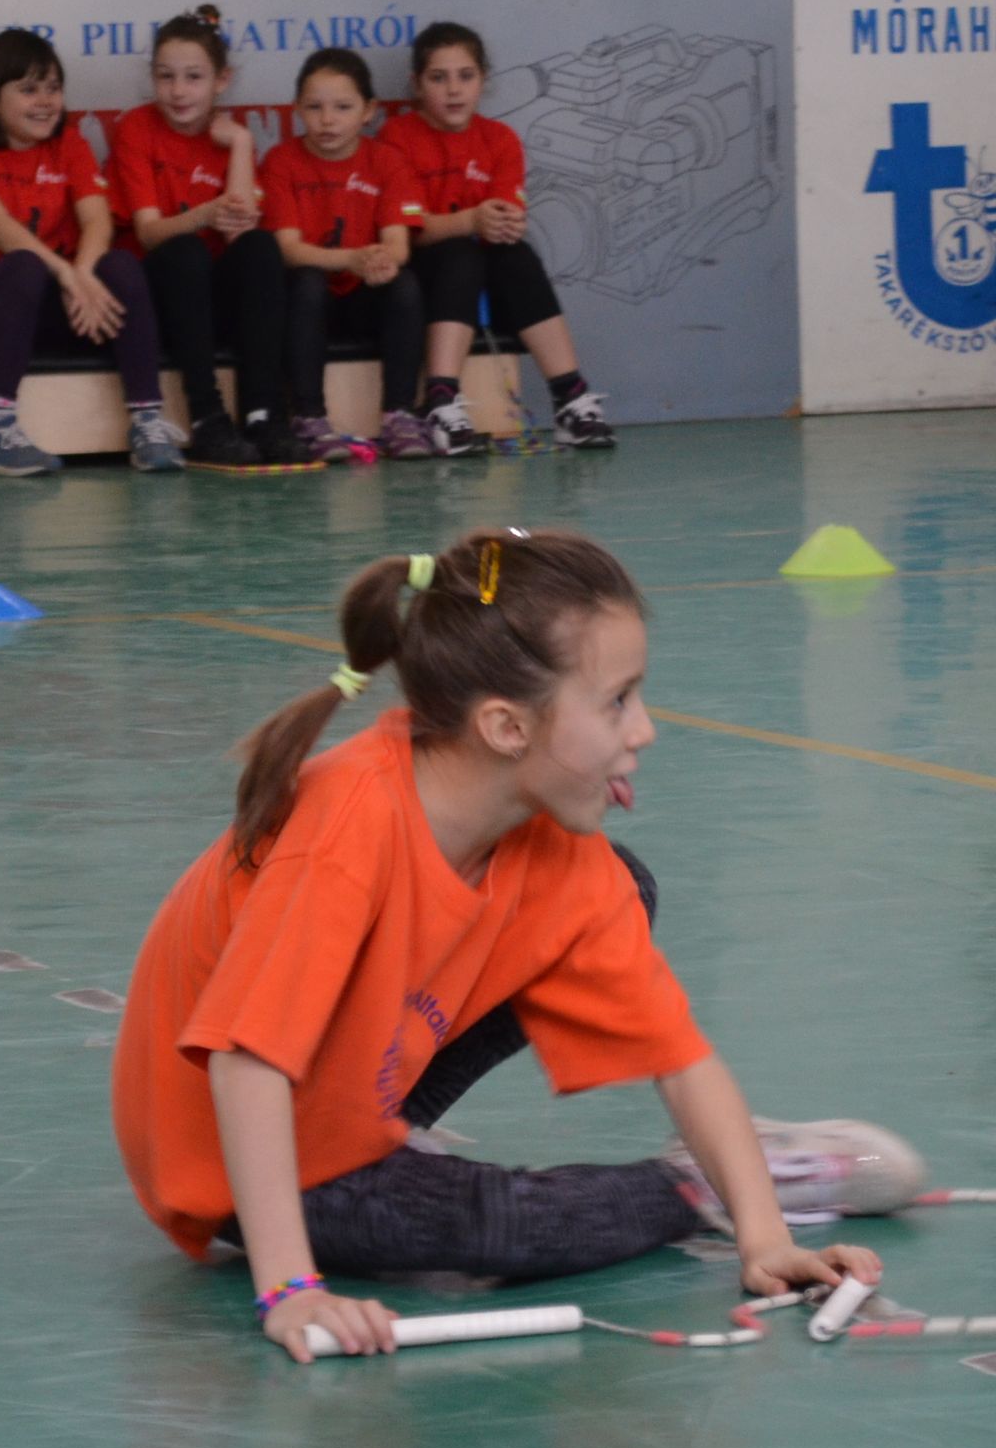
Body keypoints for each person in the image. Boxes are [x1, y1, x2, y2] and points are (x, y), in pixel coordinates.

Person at [110, 528, 910, 1364]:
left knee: (622, 889)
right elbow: (246, 1062)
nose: (644, 730)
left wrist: (765, 1236)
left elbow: (678, 1057)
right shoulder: (349, 825)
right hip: (234, 1158)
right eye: (616, 701)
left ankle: (739, 1177)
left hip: (338, 1099)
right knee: (517, 1229)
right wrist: (288, 1288)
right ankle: (690, 1184)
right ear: (504, 726)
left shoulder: (549, 841)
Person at [0, 29, 181, 478]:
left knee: (121, 265)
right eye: (29, 89)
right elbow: (0, 229)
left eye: (53, 88)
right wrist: (68, 276)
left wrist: (83, 274)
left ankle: (147, 424)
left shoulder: (69, 144)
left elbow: (98, 221)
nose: (45, 101)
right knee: (25, 266)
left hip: (62, 303)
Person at [379, 23, 616, 454]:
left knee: (516, 254)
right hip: (425, 276)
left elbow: (506, 217)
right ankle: (440, 401)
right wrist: (471, 220)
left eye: (465, 76)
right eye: (438, 78)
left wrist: (502, 223)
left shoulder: (500, 139)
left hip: (486, 276)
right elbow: (407, 233)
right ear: (417, 84)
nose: (454, 89)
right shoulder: (398, 137)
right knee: (458, 254)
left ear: (483, 80)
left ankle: (570, 398)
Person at [260, 49, 435, 463]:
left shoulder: (386, 161)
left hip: (361, 295)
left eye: (342, 107)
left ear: (368, 111)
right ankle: (309, 417)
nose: (327, 120)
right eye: (314, 107)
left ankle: (400, 415)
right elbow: (287, 250)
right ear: (297, 108)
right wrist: (352, 259)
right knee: (306, 281)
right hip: (309, 303)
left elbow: (398, 245)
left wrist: (381, 262)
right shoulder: (282, 161)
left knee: (404, 284)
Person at [110, 5, 267, 467]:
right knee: (185, 250)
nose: (178, 91)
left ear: (221, 80)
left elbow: (241, 233)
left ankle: (263, 415)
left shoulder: (231, 135)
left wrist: (241, 145)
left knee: (261, 248)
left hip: (211, 300)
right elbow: (148, 233)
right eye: (166, 77)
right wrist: (203, 215)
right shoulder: (136, 128)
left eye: (193, 77)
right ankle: (206, 417)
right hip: (161, 295)